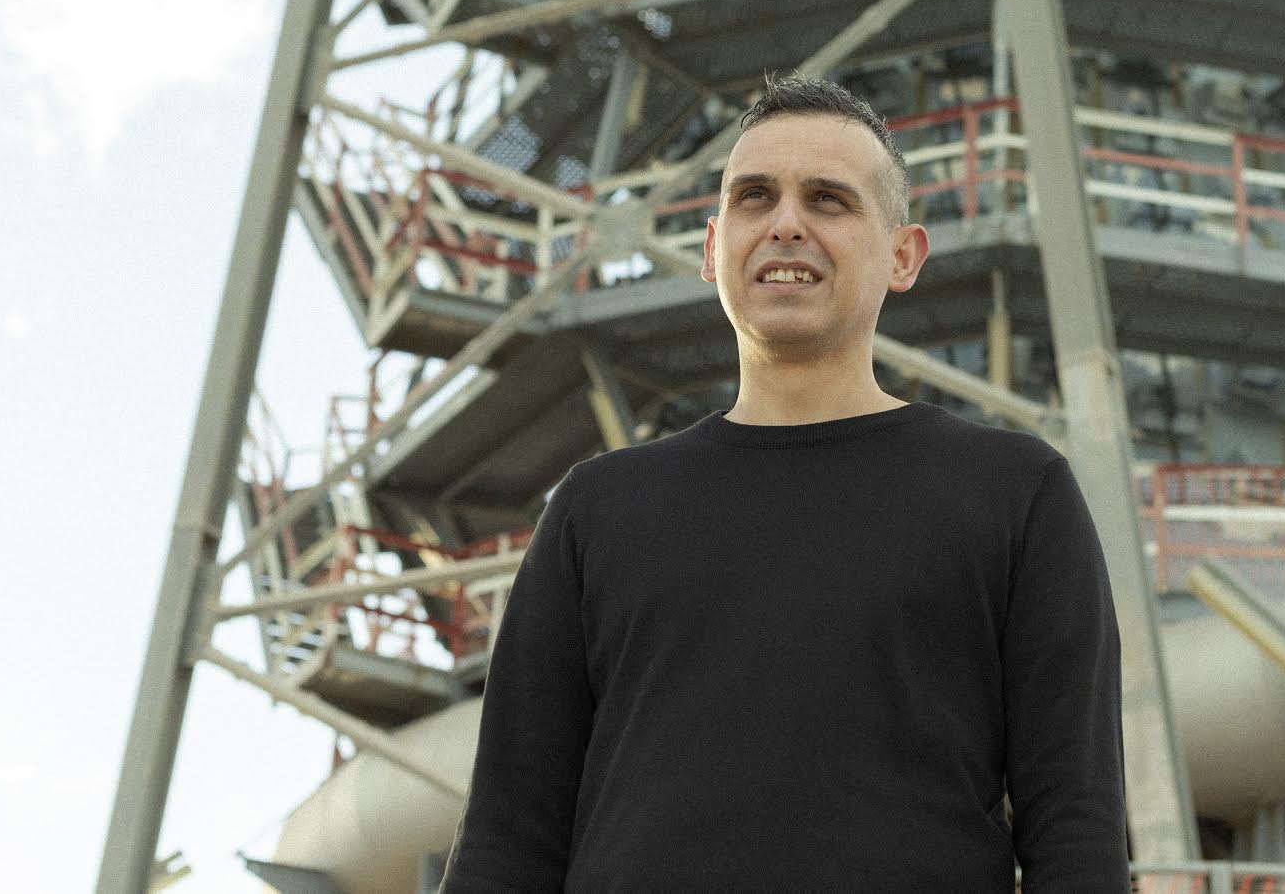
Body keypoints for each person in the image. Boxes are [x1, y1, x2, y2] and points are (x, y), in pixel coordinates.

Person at [438, 73, 1131, 891]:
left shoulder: (1016, 494)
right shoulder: (597, 510)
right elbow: (507, 841)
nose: (786, 225)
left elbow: (1075, 833)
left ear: (903, 255)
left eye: (829, 200)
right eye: (754, 198)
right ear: (711, 247)